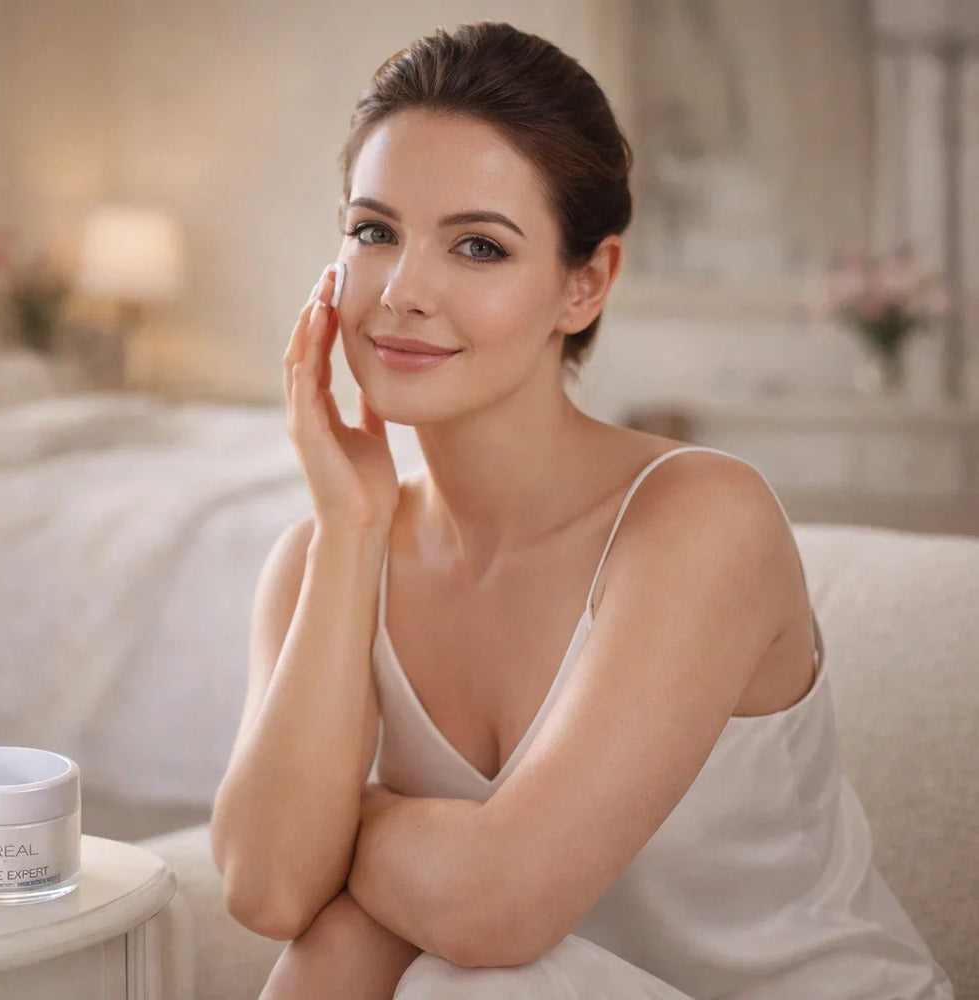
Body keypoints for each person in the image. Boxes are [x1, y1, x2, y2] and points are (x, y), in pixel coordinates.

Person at [208, 21, 954, 1000]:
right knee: (349, 950)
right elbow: (267, 891)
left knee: (447, 974)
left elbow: (498, 906)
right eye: (373, 231)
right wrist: (349, 533)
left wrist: (351, 823)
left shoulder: (700, 519)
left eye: (478, 246)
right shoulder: (319, 558)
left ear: (585, 283)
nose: (402, 292)